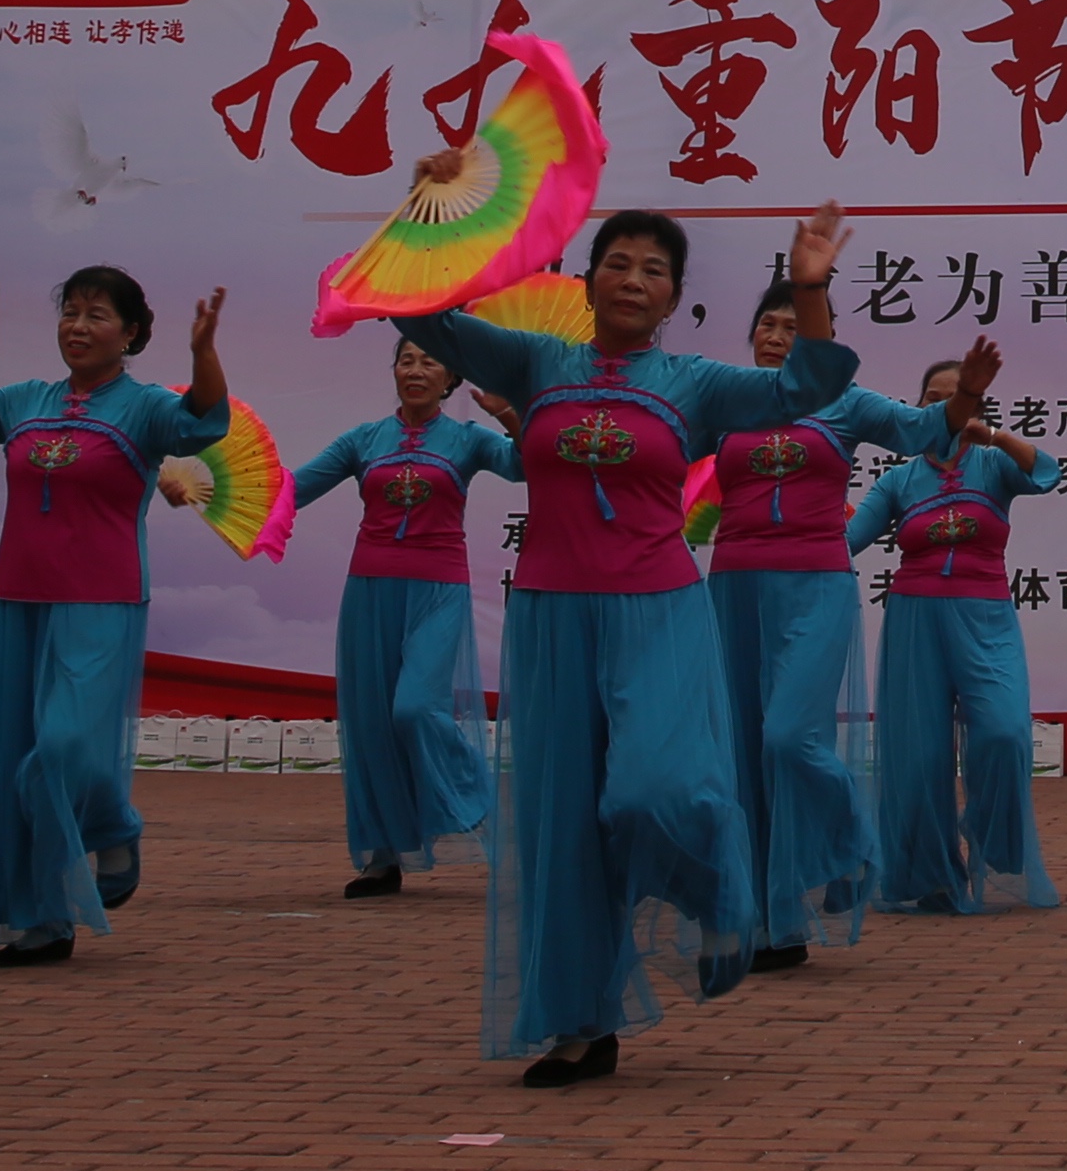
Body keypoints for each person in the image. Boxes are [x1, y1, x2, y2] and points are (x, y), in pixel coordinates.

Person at [384, 176, 871, 1086]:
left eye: (654, 269)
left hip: (659, 612)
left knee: (657, 792)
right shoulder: (536, 362)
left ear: (674, 297)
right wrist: (429, 213)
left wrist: (808, 286)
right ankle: (580, 1021)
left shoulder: (695, 384)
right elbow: (425, 315)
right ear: (589, 280)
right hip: (551, 615)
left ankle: (719, 890)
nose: (633, 279)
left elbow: (808, 384)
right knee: (563, 824)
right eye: (617, 263)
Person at [0, 266, 232, 968]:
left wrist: (203, 354)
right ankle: (42, 918)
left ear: (129, 334)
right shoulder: (24, 401)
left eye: (96, 315)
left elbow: (200, 420)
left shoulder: (145, 407)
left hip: (103, 599)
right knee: (11, 758)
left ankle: (111, 821)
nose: (78, 326)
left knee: (64, 748)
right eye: (70, 312)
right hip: (19, 600)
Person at [707, 259, 962, 969]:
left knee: (790, 737)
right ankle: (773, 925)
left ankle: (852, 839)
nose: (776, 336)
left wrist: (966, 394)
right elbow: (654, 446)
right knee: (743, 756)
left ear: (819, 337)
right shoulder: (723, 401)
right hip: (732, 586)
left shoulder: (846, 403)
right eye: (767, 324)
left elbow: (922, 430)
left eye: (793, 327)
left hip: (814, 584)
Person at [286, 334, 516, 898]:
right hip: (370, 592)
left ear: (450, 378)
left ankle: (483, 802)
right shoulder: (363, 440)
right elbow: (291, 490)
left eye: (429, 360)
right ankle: (383, 857)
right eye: (406, 360)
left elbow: (527, 466)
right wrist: (212, 490)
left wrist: (510, 414)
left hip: (438, 590)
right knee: (371, 724)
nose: (415, 370)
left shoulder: (467, 440)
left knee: (414, 708)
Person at [856, 350, 1059, 917]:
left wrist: (992, 435)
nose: (946, 409)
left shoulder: (993, 467)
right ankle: (930, 874)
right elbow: (846, 540)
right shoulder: (898, 480)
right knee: (918, 759)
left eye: (958, 399)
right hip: (914, 622)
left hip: (985, 618)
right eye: (933, 400)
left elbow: (1047, 472)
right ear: (918, 410)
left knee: (1004, 734)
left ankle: (992, 840)